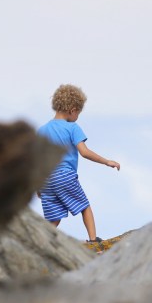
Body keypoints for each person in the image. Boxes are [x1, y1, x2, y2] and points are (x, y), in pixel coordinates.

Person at [37, 84, 120, 243]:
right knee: (84, 207)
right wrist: (106, 161)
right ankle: (93, 240)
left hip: (46, 179)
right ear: (73, 109)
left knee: (53, 218)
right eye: (79, 112)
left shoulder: (42, 130)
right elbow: (85, 152)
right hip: (64, 176)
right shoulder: (72, 127)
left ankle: (42, 243)